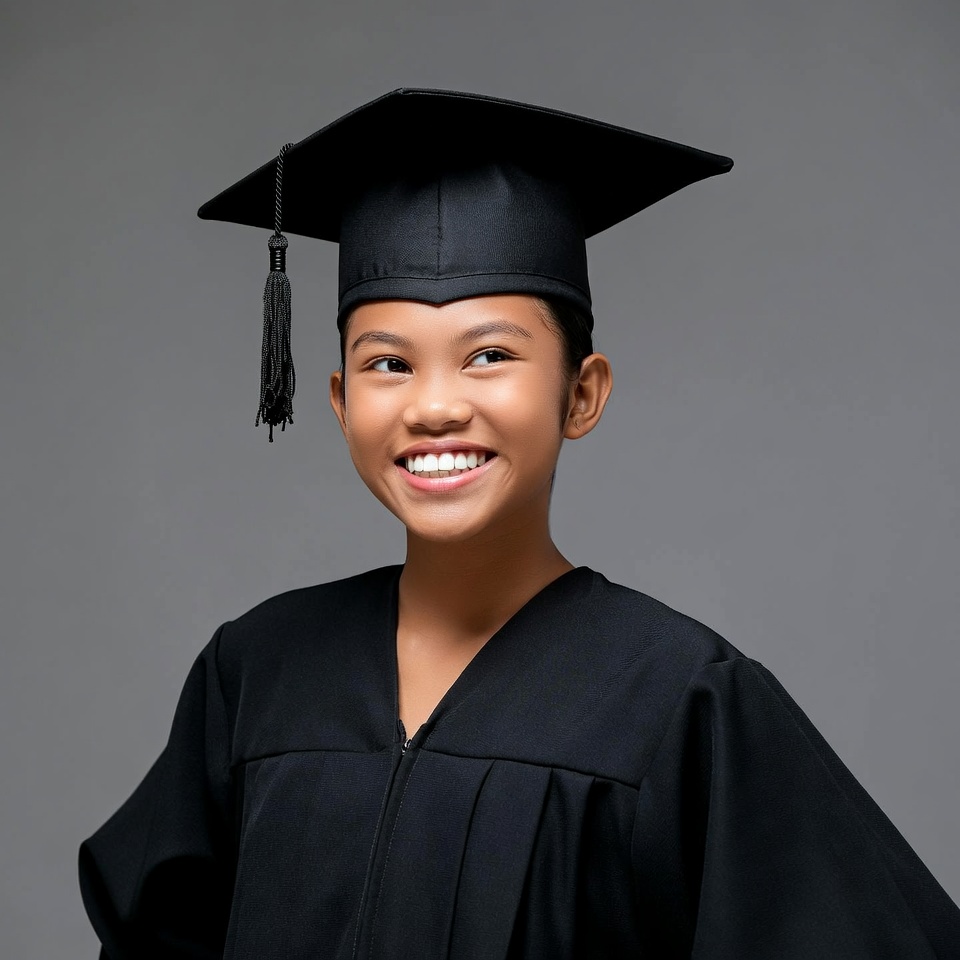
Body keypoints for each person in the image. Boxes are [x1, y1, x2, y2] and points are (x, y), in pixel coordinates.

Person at [78, 89, 960, 959]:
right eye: (388, 364)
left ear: (582, 394)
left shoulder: (681, 698)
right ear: (342, 404)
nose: (432, 406)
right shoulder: (257, 669)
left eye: (489, 356)